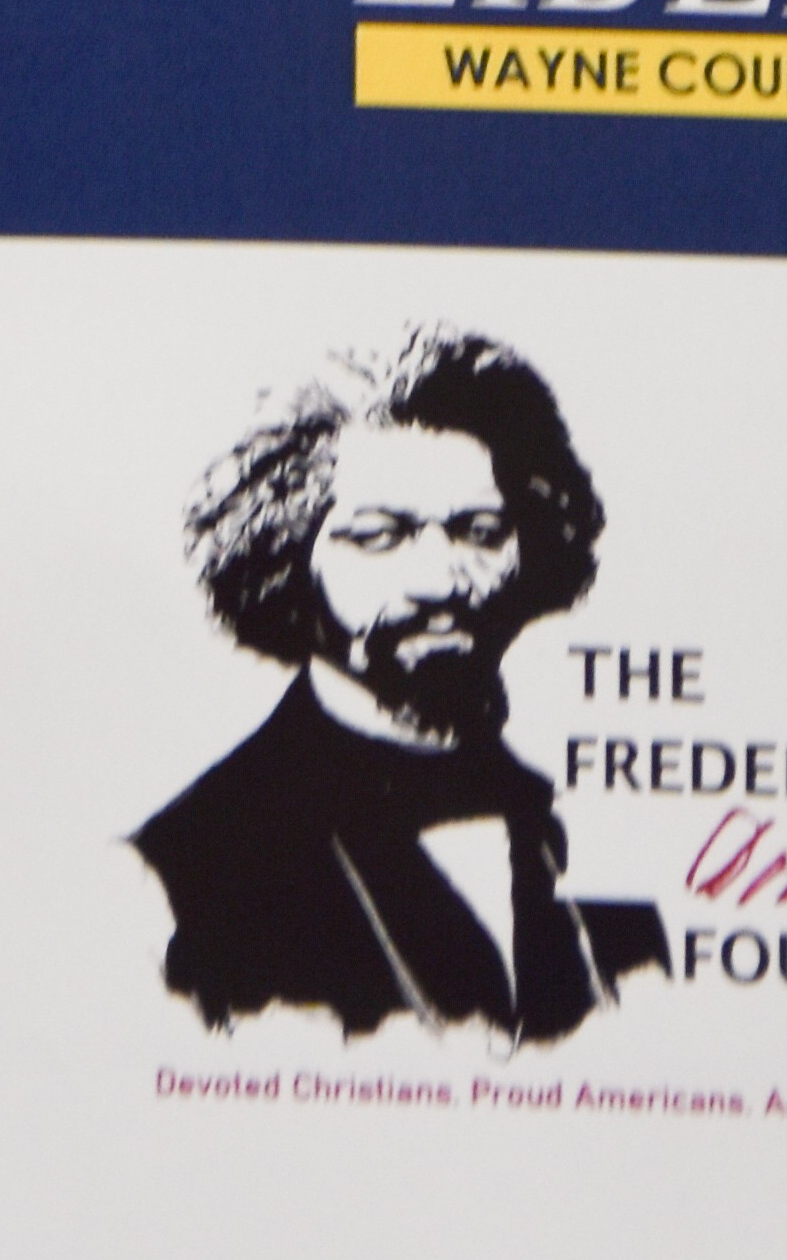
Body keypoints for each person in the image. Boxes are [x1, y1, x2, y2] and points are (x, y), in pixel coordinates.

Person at [133, 330, 667, 1039]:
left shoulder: (581, 815)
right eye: (380, 537)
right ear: (284, 559)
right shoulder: (193, 865)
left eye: (481, 531)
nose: (442, 580)